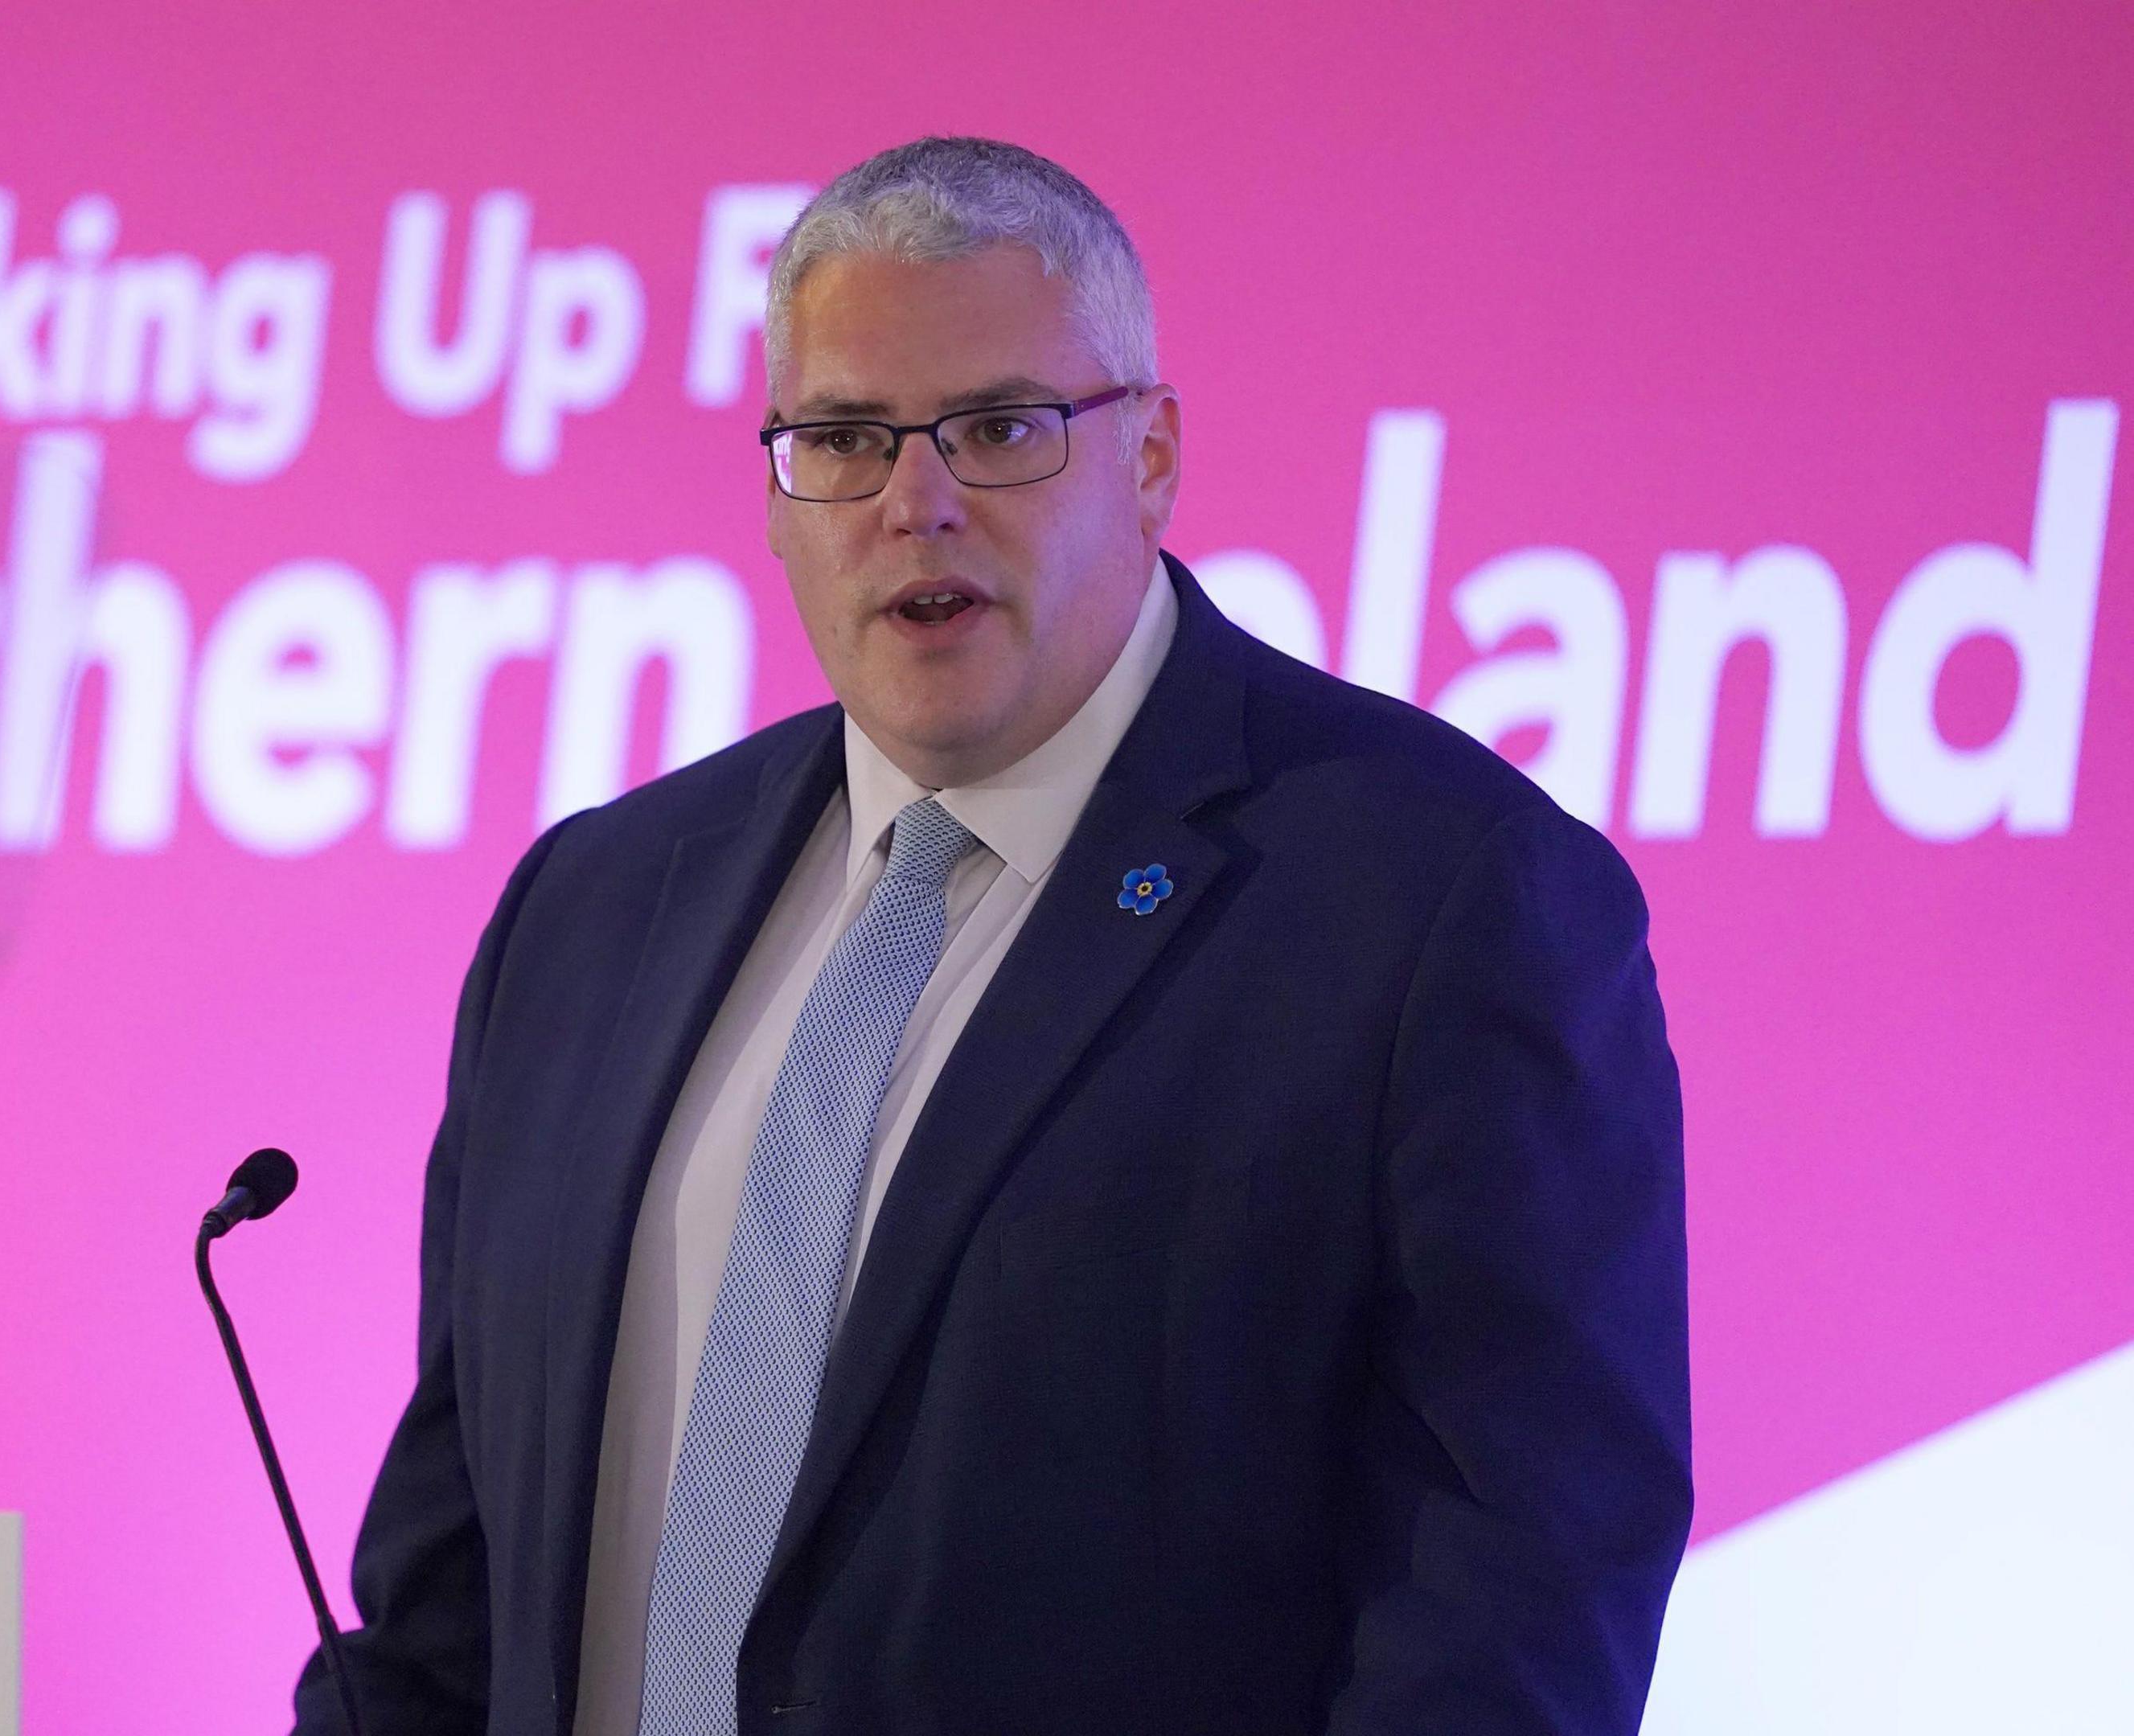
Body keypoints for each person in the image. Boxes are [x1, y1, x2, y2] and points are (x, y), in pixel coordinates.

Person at [291, 135, 1689, 1736]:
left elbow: (1516, 1606)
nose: (916, 501)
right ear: (775, 488)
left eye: (1002, 430)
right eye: (842, 438)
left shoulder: (1441, 902)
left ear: (1153, 454)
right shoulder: (593, 913)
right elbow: (442, 1614)